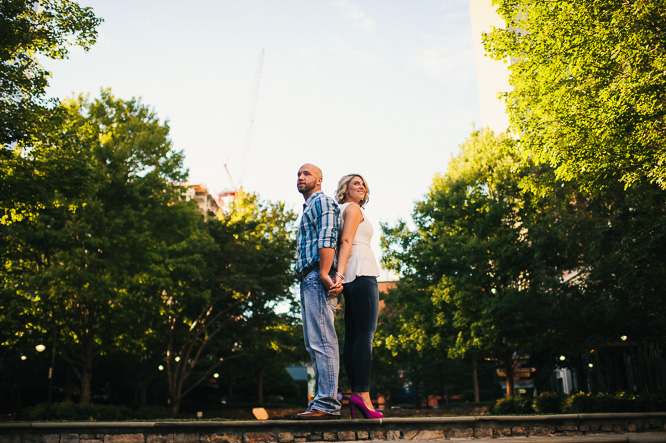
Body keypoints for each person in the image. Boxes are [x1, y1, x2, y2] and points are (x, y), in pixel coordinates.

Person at [332, 173, 383, 419]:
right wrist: (339, 275)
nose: (361, 187)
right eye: (356, 183)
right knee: (365, 336)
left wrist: (340, 275)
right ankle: (363, 395)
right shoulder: (352, 208)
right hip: (361, 273)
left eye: (363, 184)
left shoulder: (340, 210)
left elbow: (343, 241)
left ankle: (356, 393)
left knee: (352, 336)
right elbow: (346, 240)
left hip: (350, 276)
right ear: (345, 189)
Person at [293, 163, 342, 420]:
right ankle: (323, 401)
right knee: (314, 344)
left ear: (319, 180)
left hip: (316, 276)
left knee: (323, 341)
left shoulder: (322, 202)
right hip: (309, 279)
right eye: (299, 174)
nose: (301, 177)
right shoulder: (310, 206)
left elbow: (328, 236)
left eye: (306, 173)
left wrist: (324, 273)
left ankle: (327, 403)